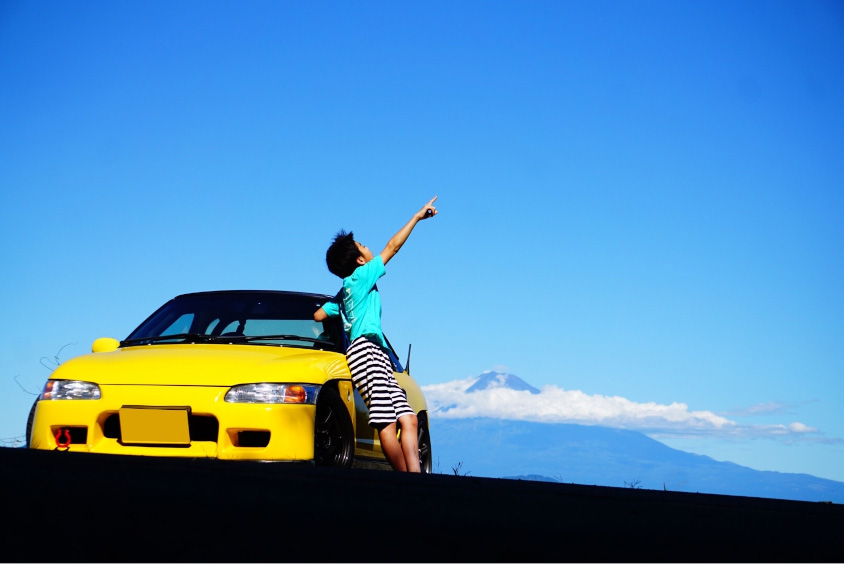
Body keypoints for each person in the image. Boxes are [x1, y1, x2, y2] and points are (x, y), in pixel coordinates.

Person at [314, 196, 438, 472]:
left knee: (409, 419)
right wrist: (417, 217)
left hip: (374, 354)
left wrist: (338, 306)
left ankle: (416, 478)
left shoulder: (345, 292)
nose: (369, 248)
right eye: (364, 246)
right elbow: (393, 247)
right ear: (360, 260)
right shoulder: (361, 277)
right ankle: (405, 479)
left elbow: (319, 315)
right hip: (365, 353)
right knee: (387, 423)